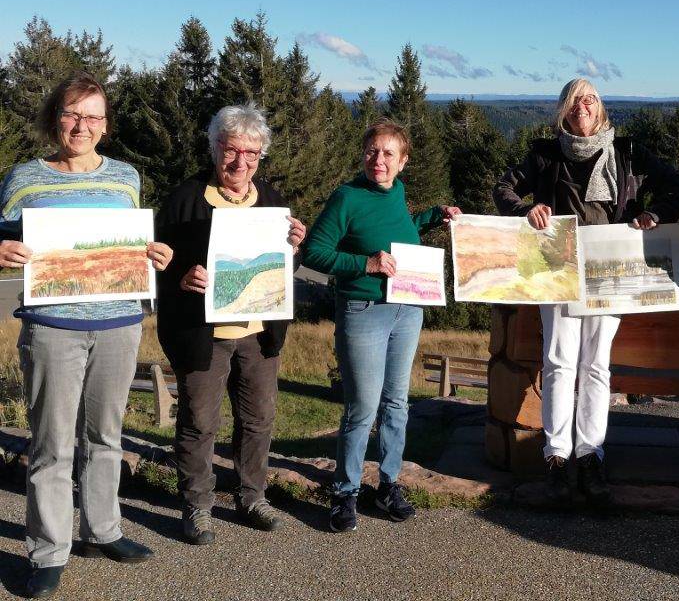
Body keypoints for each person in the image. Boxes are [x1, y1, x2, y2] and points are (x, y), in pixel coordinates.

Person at [0, 74, 172, 599]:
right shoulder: (24, 178)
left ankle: (103, 530)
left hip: (120, 325)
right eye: (73, 114)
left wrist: (155, 256)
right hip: (53, 328)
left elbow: (135, 243)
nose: (82, 126)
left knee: (107, 437)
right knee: (51, 445)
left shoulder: (126, 178)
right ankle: (49, 550)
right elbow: (3, 239)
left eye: (93, 116)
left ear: (105, 125)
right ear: (57, 118)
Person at [494, 78, 679, 508]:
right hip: (557, 266)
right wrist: (527, 209)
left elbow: (678, 188)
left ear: (600, 109)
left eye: (590, 99)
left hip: (610, 268)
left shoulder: (628, 153)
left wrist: (655, 214)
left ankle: (591, 455)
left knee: (596, 365)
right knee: (560, 362)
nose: (582, 106)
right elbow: (503, 189)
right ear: (563, 111)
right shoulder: (545, 155)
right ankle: (557, 457)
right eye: (574, 100)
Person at [155, 103, 306, 545]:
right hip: (202, 335)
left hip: (259, 333)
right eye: (231, 149)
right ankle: (197, 505)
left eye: (252, 153)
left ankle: (251, 495)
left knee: (258, 419)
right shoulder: (184, 200)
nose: (241, 162)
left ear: (261, 156)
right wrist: (181, 273)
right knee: (200, 421)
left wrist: (293, 252)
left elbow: (283, 274)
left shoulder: (274, 203)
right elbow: (155, 263)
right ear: (214, 146)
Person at [304, 119, 461, 532]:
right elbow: (314, 252)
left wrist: (433, 216)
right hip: (363, 309)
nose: (379, 160)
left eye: (389, 154)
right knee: (362, 408)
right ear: (363, 154)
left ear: (403, 162)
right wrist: (365, 264)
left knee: (397, 403)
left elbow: (399, 227)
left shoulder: (398, 192)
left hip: (407, 308)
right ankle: (344, 491)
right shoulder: (346, 197)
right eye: (373, 151)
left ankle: (389, 483)